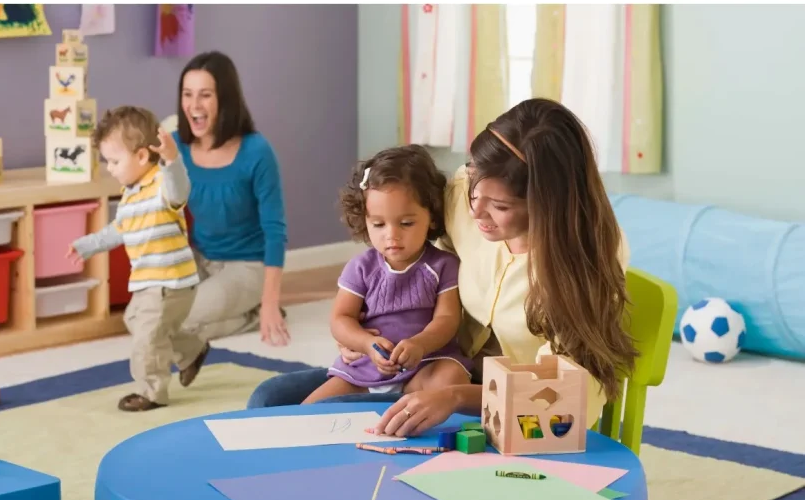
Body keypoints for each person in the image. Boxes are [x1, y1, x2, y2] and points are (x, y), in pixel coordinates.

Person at [247, 98, 636, 437]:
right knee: (270, 399)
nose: (475, 211)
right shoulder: (463, 195)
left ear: (547, 208)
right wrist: (359, 329)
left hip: (506, 404)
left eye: (499, 207)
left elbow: (568, 397)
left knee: (336, 427)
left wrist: (454, 397)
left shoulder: (584, 260)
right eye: (475, 188)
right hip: (427, 368)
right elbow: (408, 251)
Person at [302, 145, 473, 404]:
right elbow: (340, 318)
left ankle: (409, 406)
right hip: (362, 373)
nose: (391, 235)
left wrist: (420, 344)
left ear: (432, 218)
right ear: (364, 219)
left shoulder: (444, 265)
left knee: (451, 380)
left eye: (406, 223)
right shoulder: (361, 267)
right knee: (309, 411)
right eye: (378, 224)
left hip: (425, 366)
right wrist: (365, 344)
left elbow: (448, 319)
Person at [68, 106, 210, 412]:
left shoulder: (161, 185)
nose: (110, 167)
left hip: (170, 281)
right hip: (149, 282)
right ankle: (191, 350)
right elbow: (118, 230)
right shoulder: (130, 196)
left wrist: (172, 161)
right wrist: (87, 245)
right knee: (135, 320)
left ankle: (152, 392)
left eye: (115, 161)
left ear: (143, 157)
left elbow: (179, 188)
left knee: (147, 338)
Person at [172, 51, 290, 347]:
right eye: (188, 94)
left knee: (181, 321)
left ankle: (253, 313)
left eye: (205, 95)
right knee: (150, 316)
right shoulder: (177, 147)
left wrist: (271, 302)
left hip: (248, 267)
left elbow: (275, 232)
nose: (194, 105)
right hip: (199, 260)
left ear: (225, 99)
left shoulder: (256, 151)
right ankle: (240, 315)